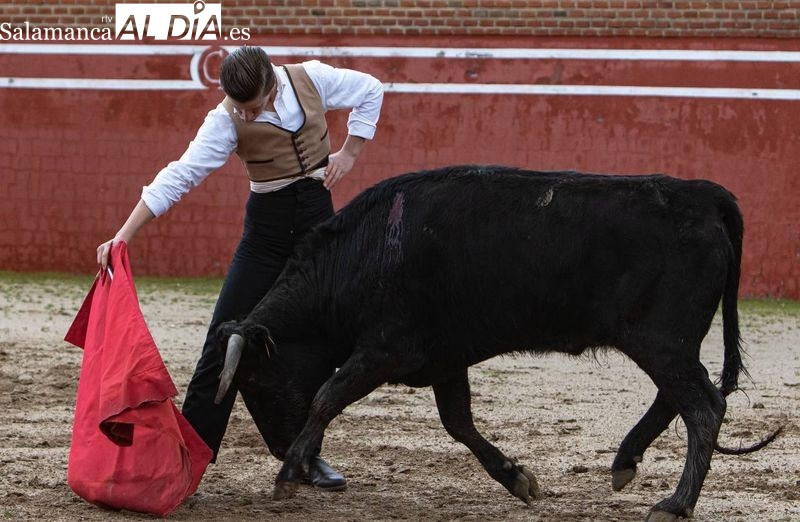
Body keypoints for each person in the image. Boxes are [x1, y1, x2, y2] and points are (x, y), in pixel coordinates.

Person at [96, 46, 384, 490]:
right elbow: (181, 174)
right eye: (239, 108)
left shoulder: (311, 79)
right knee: (222, 339)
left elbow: (370, 88)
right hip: (265, 236)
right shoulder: (225, 117)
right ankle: (185, 458)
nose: (244, 117)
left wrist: (350, 152)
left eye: (252, 108)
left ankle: (303, 455)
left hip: (318, 232)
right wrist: (124, 234)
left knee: (314, 350)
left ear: (271, 86)